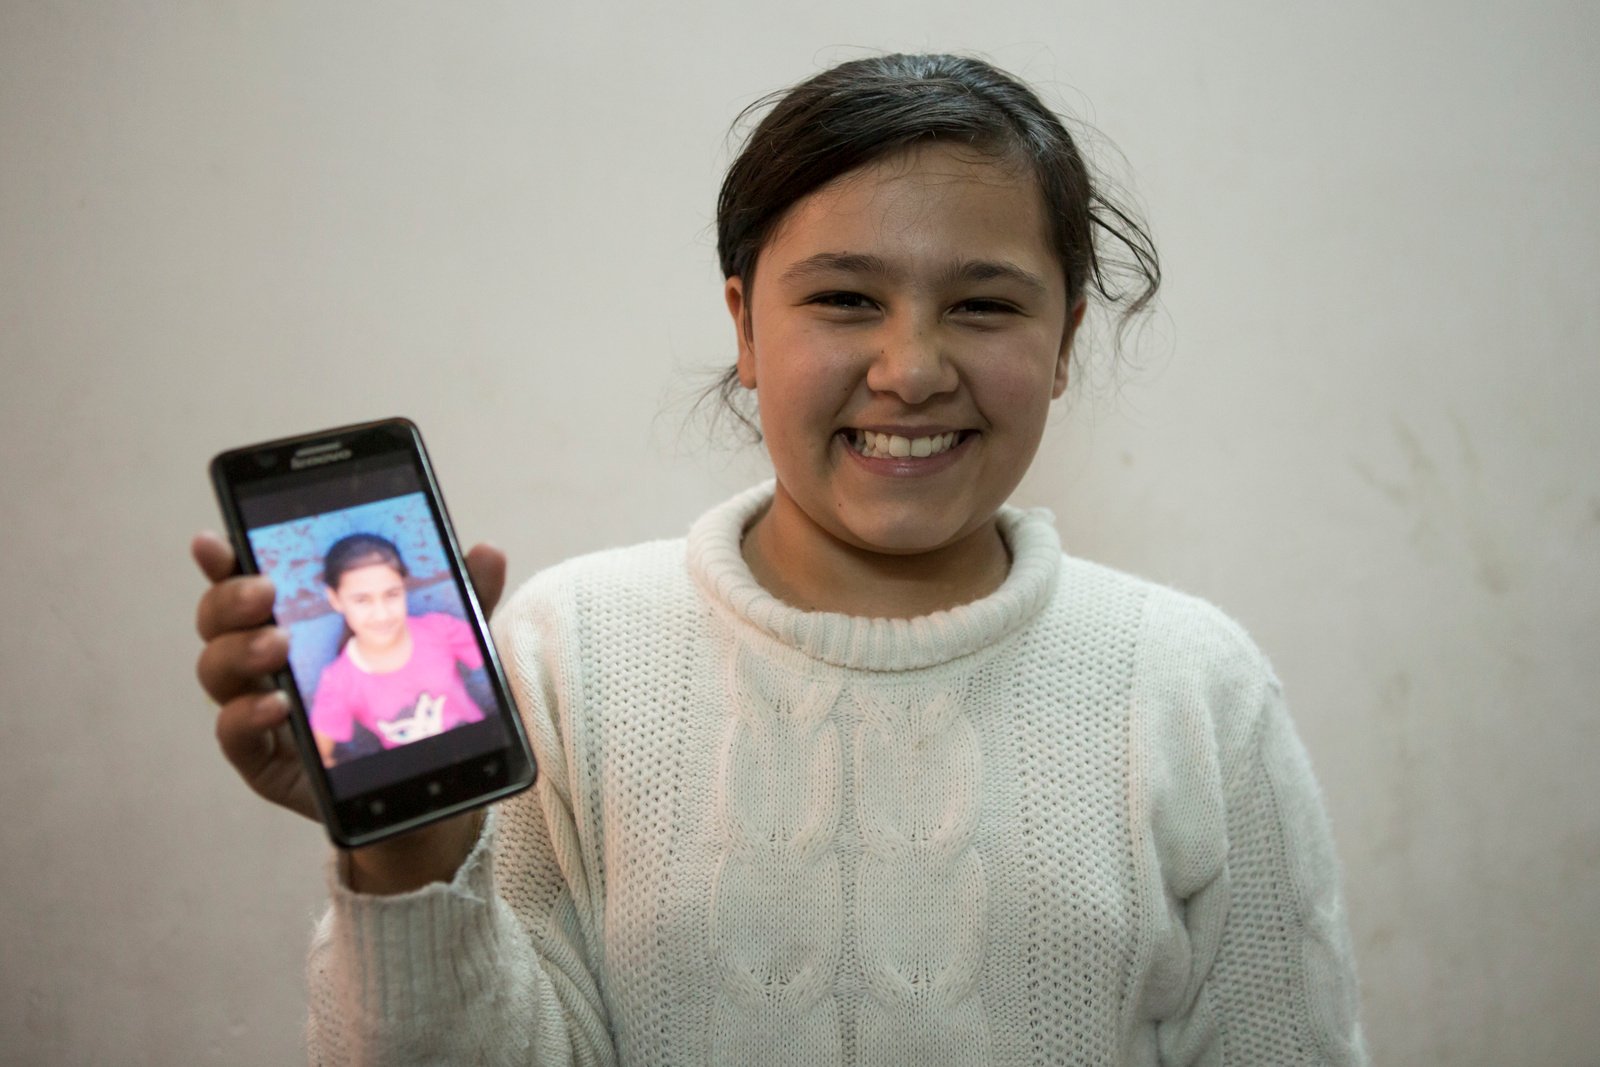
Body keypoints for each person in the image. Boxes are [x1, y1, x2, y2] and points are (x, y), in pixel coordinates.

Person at [193, 53, 1367, 1065]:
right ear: (746, 326)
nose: (911, 368)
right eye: (847, 297)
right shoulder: (565, 652)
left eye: (984, 306)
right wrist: (408, 855)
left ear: (1063, 341)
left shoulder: (1193, 685)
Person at [308, 533, 487, 765]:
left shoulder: (440, 630)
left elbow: (503, 663)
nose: (382, 615)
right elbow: (320, 756)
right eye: (362, 600)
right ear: (335, 599)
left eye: (392, 595)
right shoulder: (338, 680)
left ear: (404, 586)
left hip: (482, 757)